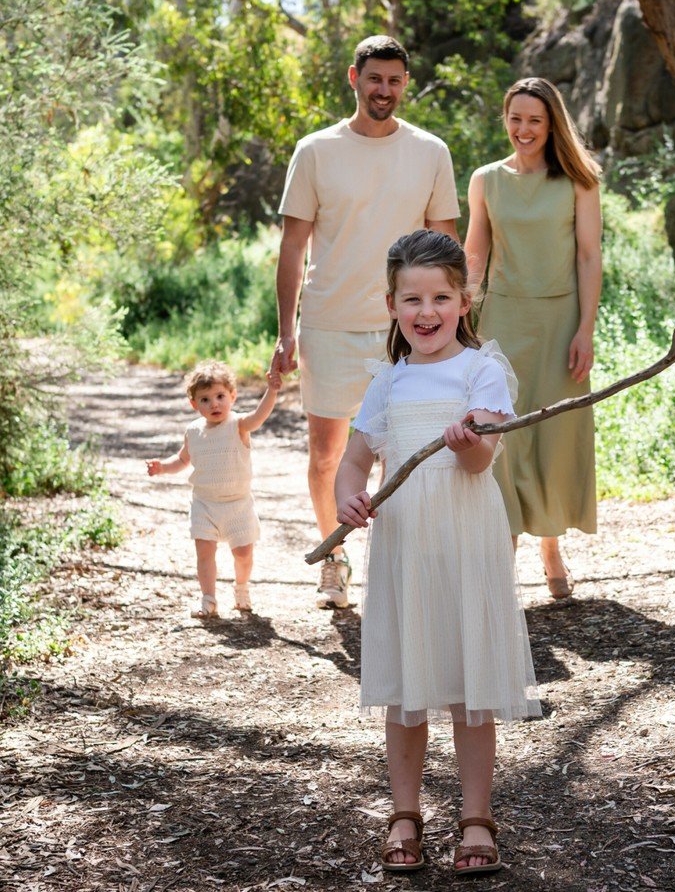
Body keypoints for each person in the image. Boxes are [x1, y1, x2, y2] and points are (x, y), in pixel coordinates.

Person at [334, 230, 539, 875]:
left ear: (464, 302)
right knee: (406, 688)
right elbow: (354, 459)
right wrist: (349, 497)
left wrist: (468, 444)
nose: (427, 312)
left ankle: (476, 816)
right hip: (405, 549)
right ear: (392, 305)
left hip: (465, 543)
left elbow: (481, 464)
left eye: (441, 298)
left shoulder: (481, 371)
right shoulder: (388, 382)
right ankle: (405, 812)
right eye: (412, 299)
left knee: (471, 684)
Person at [272, 34, 461, 610]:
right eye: (375, 78)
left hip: (408, 328)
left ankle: (398, 565)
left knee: (402, 450)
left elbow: (447, 248)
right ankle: (334, 558)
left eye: (394, 80)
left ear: (406, 84)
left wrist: (452, 326)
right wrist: (285, 332)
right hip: (329, 322)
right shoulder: (315, 151)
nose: (384, 90)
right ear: (354, 78)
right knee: (327, 455)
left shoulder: (430, 151)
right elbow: (292, 247)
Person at [464, 77, 602, 599]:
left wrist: (585, 329)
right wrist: (460, 325)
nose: (524, 129)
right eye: (516, 118)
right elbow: (474, 255)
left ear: (552, 125)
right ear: (505, 119)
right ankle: (505, 549)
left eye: (535, 121)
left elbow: (588, 256)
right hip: (502, 323)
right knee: (504, 436)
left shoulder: (579, 181)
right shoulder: (486, 180)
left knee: (553, 434)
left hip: (561, 322)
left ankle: (550, 544)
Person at [146, 361, 282, 618]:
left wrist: (272, 390)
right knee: (204, 553)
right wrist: (162, 467)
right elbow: (182, 460)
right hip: (204, 504)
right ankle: (208, 598)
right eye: (205, 400)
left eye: (220, 396)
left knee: (243, 553)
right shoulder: (193, 431)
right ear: (194, 404)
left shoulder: (239, 424)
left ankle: (241, 588)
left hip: (238, 504)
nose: (214, 404)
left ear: (233, 396)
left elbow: (259, 416)